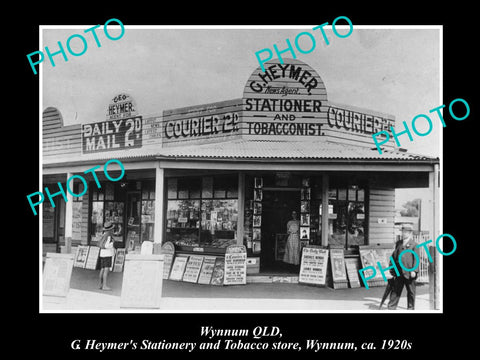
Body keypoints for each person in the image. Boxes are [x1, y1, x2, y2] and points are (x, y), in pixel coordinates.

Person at [387, 224, 419, 310]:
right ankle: (391, 307)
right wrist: (392, 268)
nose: (403, 233)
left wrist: (414, 271)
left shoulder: (414, 245)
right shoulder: (399, 243)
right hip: (399, 272)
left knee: (411, 292)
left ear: (409, 233)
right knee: (395, 290)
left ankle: (411, 308)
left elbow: (416, 259)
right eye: (403, 232)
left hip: (409, 272)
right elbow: (394, 256)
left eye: (405, 232)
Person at [98, 221, 115, 291]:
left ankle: (100, 284)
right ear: (110, 229)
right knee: (106, 269)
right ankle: (104, 286)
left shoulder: (104, 234)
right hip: (107, 254)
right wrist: (112, 244)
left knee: (102, 269)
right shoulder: (109, 236)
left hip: (102, 254)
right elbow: (106, 245)